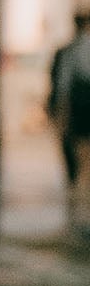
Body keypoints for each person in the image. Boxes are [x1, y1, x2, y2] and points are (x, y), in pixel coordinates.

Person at [47, 13, 90, 222]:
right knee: (82, 152)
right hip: (81, 106)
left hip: (78, 107)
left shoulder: (69, 50)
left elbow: (62, 85)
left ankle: (78, 189)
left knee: (77, 151)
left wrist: (60, 111)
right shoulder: (72, 50)